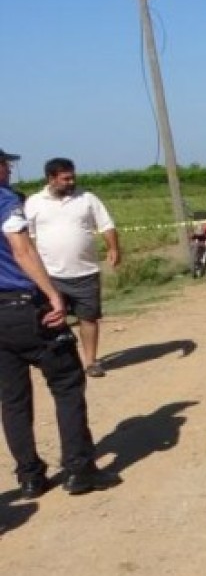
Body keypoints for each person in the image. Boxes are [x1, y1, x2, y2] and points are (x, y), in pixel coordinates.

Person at [0, 147, 118, 497]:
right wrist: (52, 293)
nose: (8, 169)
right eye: (5, 164)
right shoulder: (6, 201)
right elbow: (21, 249)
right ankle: (79, 470)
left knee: (13, 399)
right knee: (67, 383)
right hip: (25, 306)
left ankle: (30, 477)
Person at [25, 157, 121, 378]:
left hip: (85, 272)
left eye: (72, 177)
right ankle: (56, 362)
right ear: (51, 178)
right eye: (65, 178)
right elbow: (27, 237)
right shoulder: (34, 203)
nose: (71, 182)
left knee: (88, 318)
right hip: (50, 275)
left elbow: (106, 225)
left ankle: (90, 361)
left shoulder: (87, 198)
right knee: (52, 320)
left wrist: (114, 248)